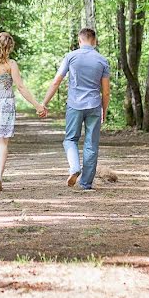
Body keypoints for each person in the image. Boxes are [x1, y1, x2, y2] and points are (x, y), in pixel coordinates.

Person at [42, 28, 111, 190]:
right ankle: (86, 183)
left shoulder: (71, 57)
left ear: (80, 41)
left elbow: (56, 82)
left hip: (74, 104)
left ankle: (74, 167)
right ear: (94, 41)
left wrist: (44, 103)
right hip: (94, 105)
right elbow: (106, 91)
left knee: (71, 139)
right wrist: (104, 110)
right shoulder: (102, 60)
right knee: (91, 144)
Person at [0, 32, 47, 191]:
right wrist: (37, 105)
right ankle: (0, 177)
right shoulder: (11, 64)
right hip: (6, 104)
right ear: (6, 48)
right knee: (2, 141)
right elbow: (21, 87)